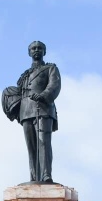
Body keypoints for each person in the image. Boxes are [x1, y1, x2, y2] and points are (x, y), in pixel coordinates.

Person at [12, 40, 61, 183]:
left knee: (43, 142)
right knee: (31, 146)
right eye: (33, 48)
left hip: (43, 108)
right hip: (26, 110)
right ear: (29, 52)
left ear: (44, 52)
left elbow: (54, 85)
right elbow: (19, 92)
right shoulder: (25, 75)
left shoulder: (50, 68)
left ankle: (46, 175)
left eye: (39, 48)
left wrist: (44, 95)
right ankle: (34, 176)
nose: (36, 50)